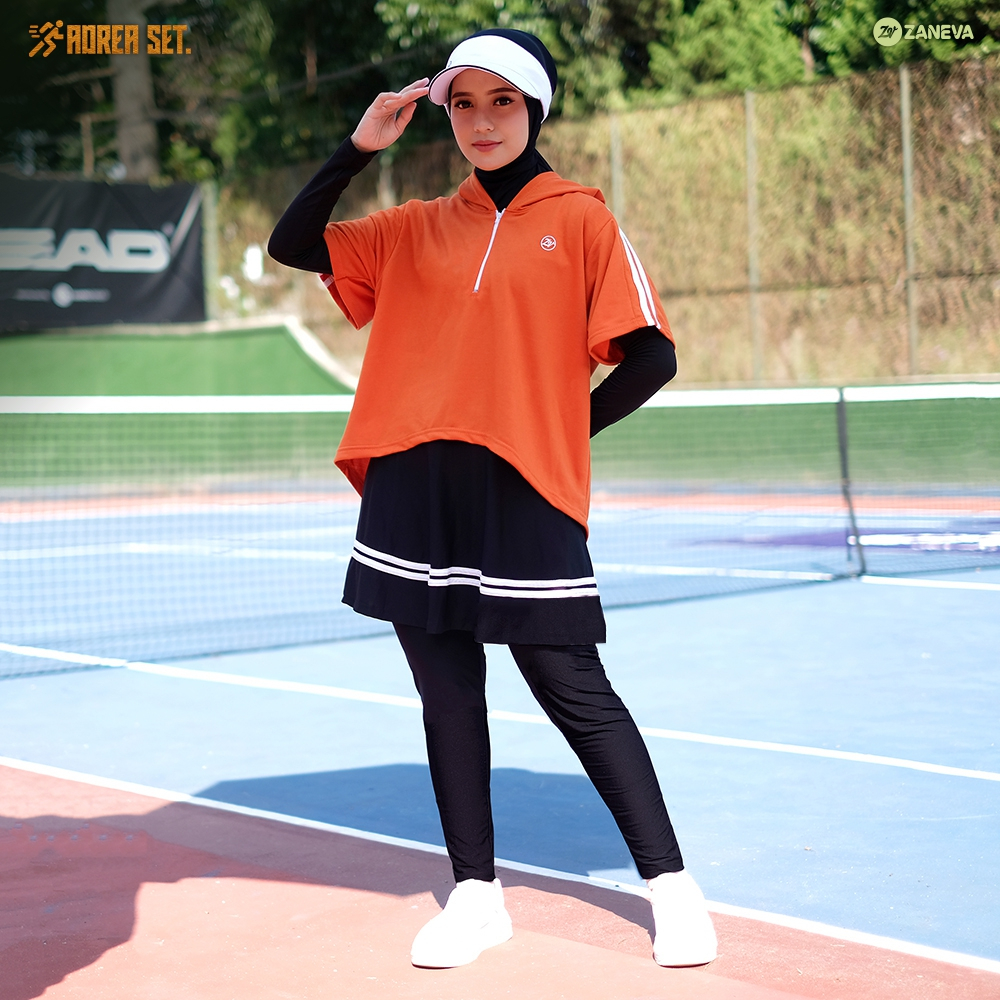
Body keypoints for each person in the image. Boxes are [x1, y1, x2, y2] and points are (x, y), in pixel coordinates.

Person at [268, 28, 717, 971]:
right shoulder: (414, 225)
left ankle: (672, 890)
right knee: (446, 693)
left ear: (535, 108)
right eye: (464, 104)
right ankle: (476, 897)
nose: (481, 121)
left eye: (502, 101)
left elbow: (653, 356)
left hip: (523, 486)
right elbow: (292, 243)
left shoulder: (581, 219)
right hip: (412, 483)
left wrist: (561, 428)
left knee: (572, 687)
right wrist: (358, 149)